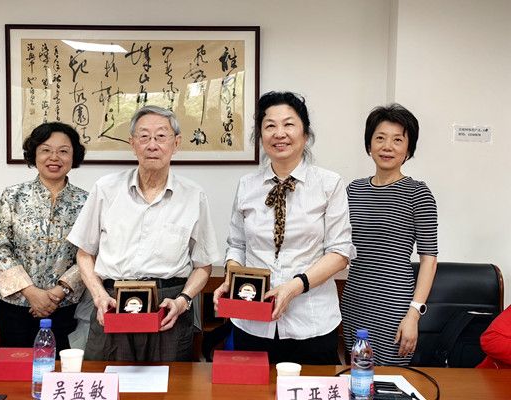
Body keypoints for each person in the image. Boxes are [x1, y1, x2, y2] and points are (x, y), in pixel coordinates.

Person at [213, 91, 356, 364]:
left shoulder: (329, 184)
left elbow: (340, 253)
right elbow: (237, 245)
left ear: (305, 133)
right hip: (252, 322)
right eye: (270, 126)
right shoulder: (247, 185)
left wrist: (294, 287)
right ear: (260, 135)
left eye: (289, 124)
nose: (279, 133)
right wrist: (232, 275)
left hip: (311, 323)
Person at [68, 105, 220, 362]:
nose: (152, 145)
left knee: (171, 383)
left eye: (161, 136)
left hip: (168, 306)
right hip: (112, 302)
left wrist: (183, 301)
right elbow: (84, 254)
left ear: (176, 143)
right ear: (132, 143)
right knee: (107, 379)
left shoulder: (194, 195)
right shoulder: (105, 189)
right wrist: (99, 295)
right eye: (144, 136)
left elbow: (203, 265)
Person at [341, 104, 438, 366]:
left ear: (408, 149)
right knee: (357, 375)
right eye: (380, 138)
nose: (387, 147)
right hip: (355, 300)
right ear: (369, 144)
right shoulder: (353, 190)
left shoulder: (418, 193)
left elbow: (429, 258)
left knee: (390, 378)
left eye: (397, 140)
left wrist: (413, 314)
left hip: (395, 306)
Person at [0, 122, 88, 351]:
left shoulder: (87, 202)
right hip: (15, 305)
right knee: (16, 367)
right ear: (34, 154)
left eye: (63, 151)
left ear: (74, 156)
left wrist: (59, 292)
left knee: (61, 367)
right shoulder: (13, 196)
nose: (54, 157)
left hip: (65, 306)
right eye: (46, 150)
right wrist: (30, 292)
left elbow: (91, 252)